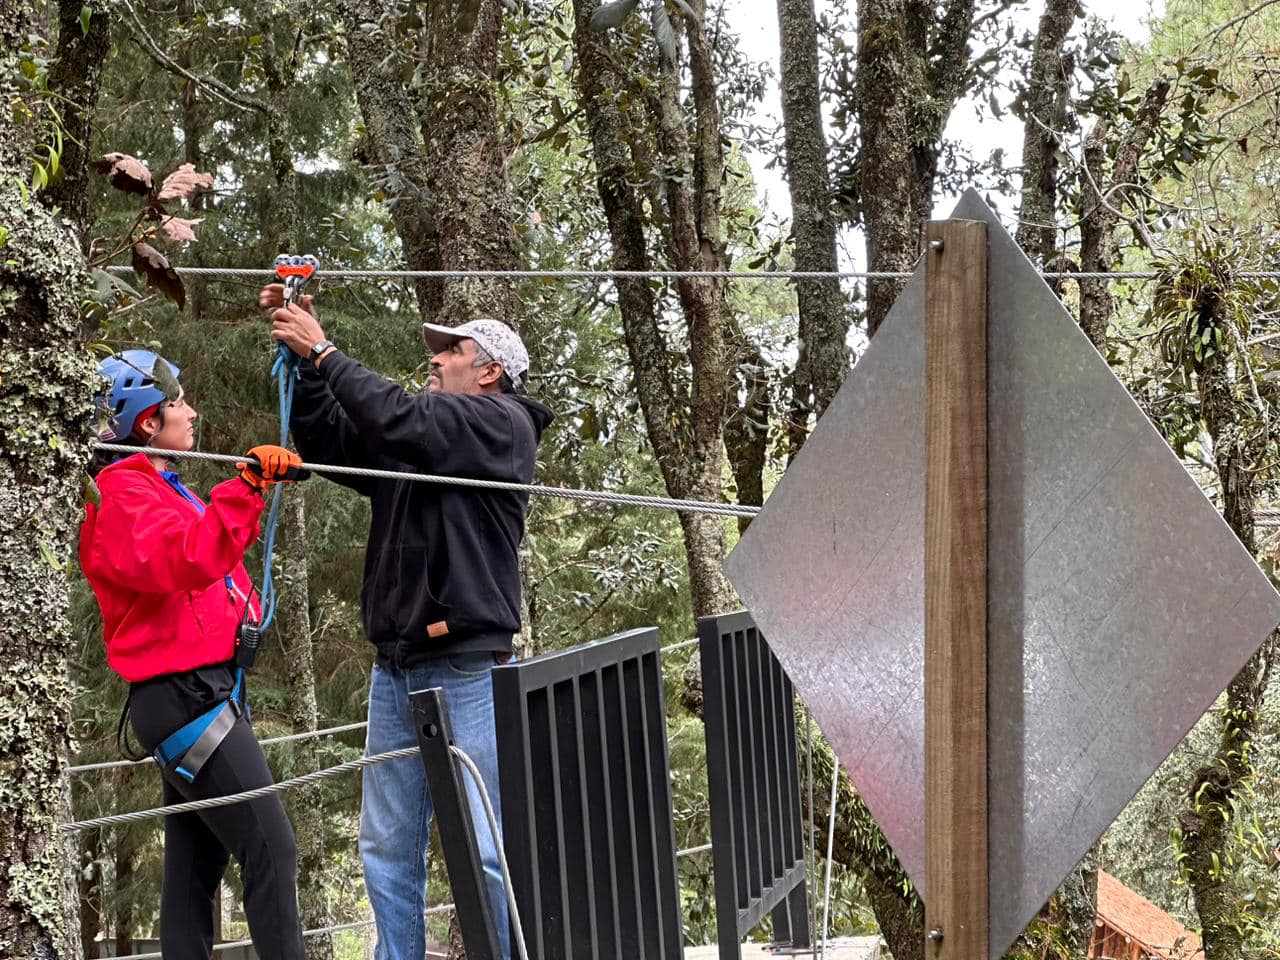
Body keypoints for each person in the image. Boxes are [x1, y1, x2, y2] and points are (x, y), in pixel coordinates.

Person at [260, 283, 554, 960]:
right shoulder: (424, 440)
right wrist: (307, 369)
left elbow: (403, 419)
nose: (436, 357)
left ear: (489, 371)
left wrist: (326, 350)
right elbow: (338, 440)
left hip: (467, 666)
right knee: (386, 849)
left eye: (452, 349)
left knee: (483, 848)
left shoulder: (501, 425)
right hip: (396, 668)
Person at [80, 349, 308, 960]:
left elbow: (211, 569)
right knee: (271, 848)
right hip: (187, 698)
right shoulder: (120, 495)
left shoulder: (157, 486)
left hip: (198, 693)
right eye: (179, 403)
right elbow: (187, 557)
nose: (193, 412)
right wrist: (244, 490)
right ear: (148, 421)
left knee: (191, 876)